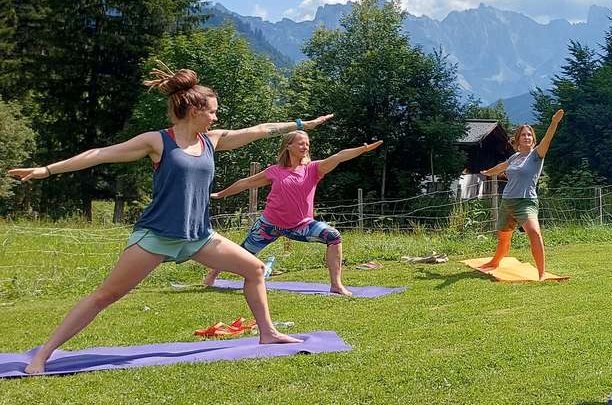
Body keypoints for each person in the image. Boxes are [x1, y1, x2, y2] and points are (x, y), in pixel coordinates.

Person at [6, 66, 332, 375]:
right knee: (105, 295)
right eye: (212, 111)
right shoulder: (157, 141)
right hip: (157, 235)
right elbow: (100, 153)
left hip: (198, 236)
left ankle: (268, 333)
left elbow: (260, 131)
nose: (217, 117)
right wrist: (47, 170)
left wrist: (302, 124)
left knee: (255, 269)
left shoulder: (212, 140)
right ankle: (43, 354)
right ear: (194, 112)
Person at [204, 132, 383, 297]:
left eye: (307, 144)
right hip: (269, 225)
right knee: (242, 252)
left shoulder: (313, 169)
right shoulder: (274, 171)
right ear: (288, 146)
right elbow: (246, 183)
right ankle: (212, 276)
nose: (305, 147)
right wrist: (221, 194)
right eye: (301, 144)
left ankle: (336, 284)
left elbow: (338, 157)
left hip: (301, 226)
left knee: (333, 236)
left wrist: (363, 149)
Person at [474, 110, 564, 278]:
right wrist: (488, 172)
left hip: (526, 202)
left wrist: (554, 123)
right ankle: (495, 262)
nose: (527, 137)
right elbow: (502, 167)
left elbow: (548, 139)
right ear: (518, 139)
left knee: (535, 233)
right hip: (507, 202)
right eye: (523, 135)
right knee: (503, 238)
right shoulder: (514, 157)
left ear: (533, 139)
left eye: (529, 134)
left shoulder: (537, 155)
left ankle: (542, 273)